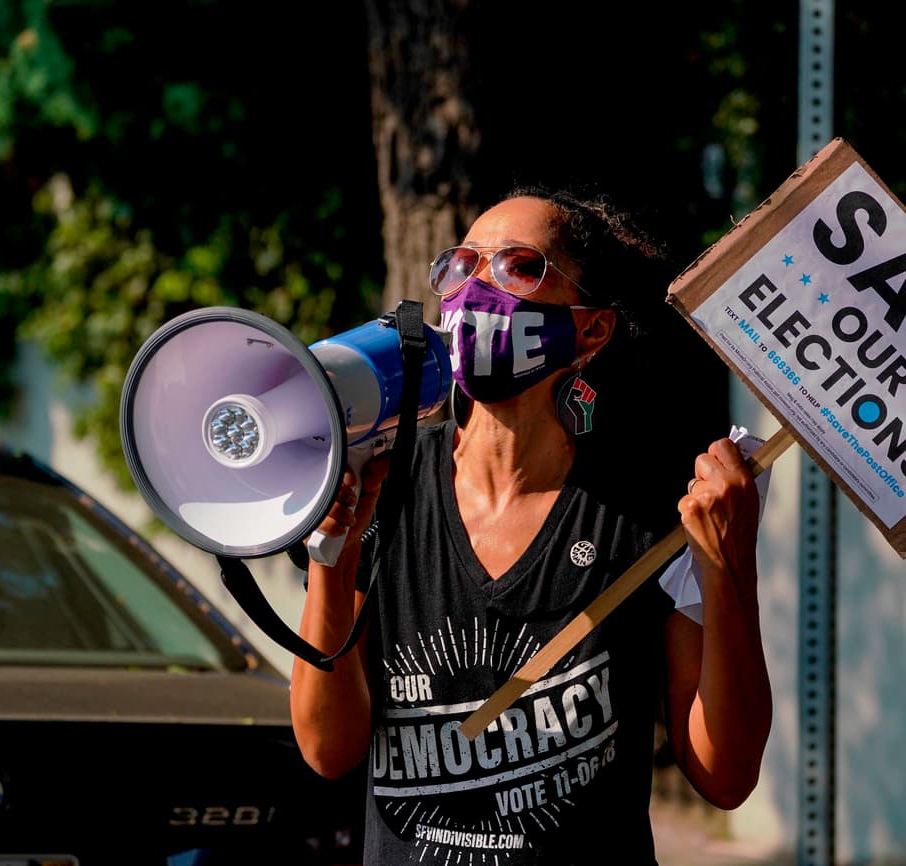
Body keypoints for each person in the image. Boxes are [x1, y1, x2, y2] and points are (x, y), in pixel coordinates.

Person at [289, 185, 773, 865]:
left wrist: (729, 570)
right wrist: (331, 565)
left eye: (519, 265)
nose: (476, 286)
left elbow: (724, 776)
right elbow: (326, 749)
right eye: (461, 265)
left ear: (592, 331)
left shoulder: (645, 513)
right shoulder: (384, 484)